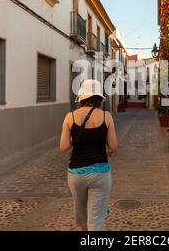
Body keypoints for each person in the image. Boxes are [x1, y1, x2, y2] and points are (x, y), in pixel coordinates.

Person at [59, 79, 118, 231]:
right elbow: (113, 146)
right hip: (100, 174)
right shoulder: (107, 116)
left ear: (82, 98)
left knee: (83, 216)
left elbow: (63, 146)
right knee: (96, 220)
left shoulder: (69, 117)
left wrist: (76, 139)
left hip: (76, 174)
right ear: (99, 98)